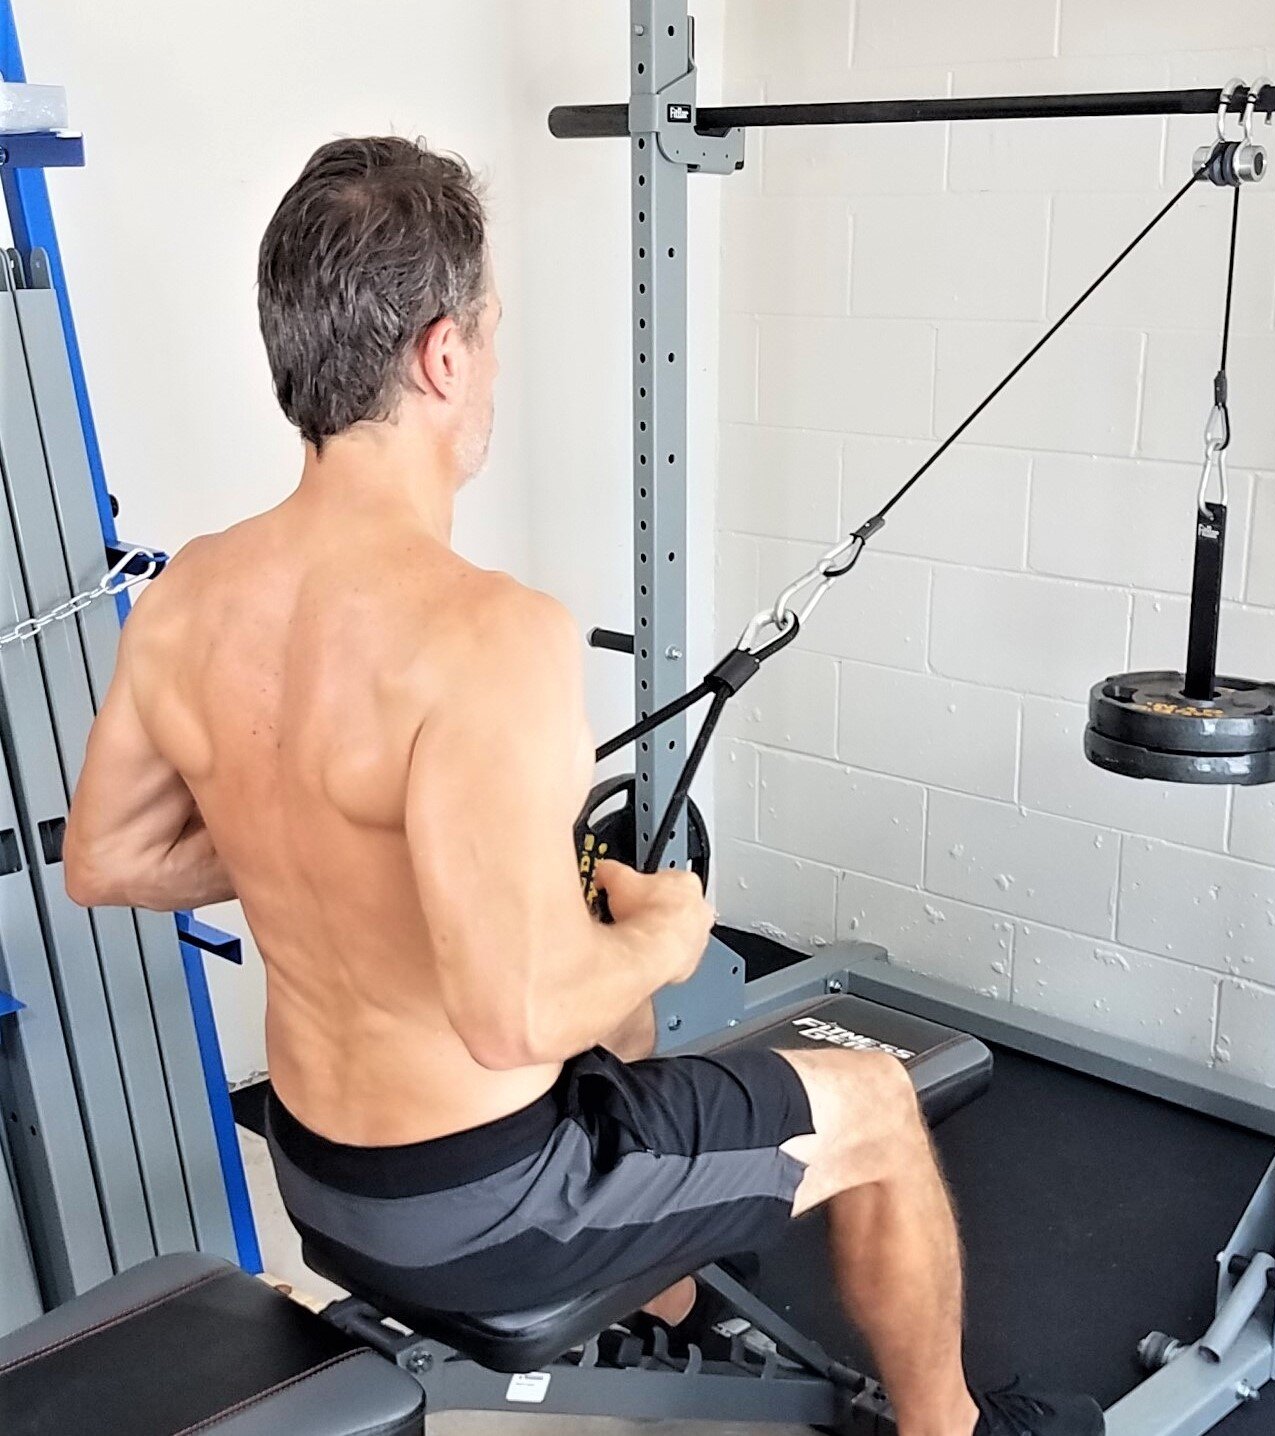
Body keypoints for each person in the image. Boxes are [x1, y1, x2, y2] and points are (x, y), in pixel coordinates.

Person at [64, 136, 1100, 1436]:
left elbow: (104, 858)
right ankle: (949, 1427)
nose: (493, 359)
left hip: (322, 1178)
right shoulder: (488, 629)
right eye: (490, 329)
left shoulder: (191, 592)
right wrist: (663, 931)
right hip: (483, 1211)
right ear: (443, 354)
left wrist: (308, 839)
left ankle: (677, 1314)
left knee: (629, 1036)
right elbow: (511, 1022)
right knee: (874, 1102)